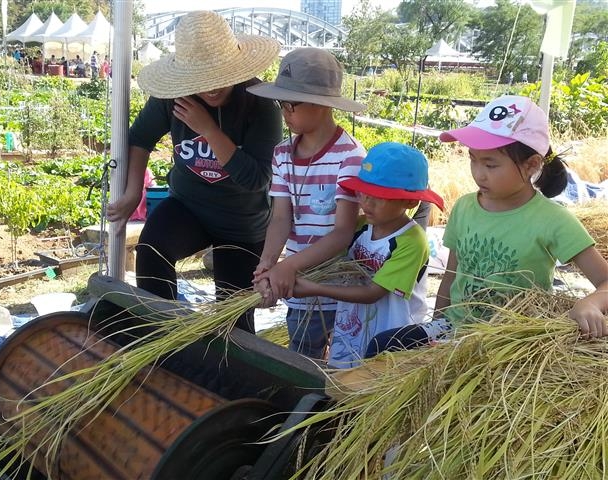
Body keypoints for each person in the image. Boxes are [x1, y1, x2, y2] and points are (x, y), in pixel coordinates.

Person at [367, 95, 608, 356]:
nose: (478, 173)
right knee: (383, 346)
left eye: (490, 164)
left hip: (511, 342)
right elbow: (451, 275)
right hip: (455, 329)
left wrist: (590, 302)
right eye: (473, 159)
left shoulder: (553, 220)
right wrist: (436, 323)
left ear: (531, 165)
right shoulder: (465, 207)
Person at [106, 11, 282, 333]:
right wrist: (134, 192)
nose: (211, 88)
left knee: (234, 321)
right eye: (201, 80)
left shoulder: (261, 106)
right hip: (189, 206)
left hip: (241, 221)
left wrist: (208, 129)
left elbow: (257, 179)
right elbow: (140, 138)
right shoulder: (173, 96)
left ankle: (227, 379)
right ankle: (162, 339)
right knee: (151, 250)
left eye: (218, 77)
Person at [247, 47, 367, 359]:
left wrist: (289, 266)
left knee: (341, 368)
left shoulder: (350, 156)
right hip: (296, 288)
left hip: (336, 290)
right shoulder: (282, 154)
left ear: (322, 105)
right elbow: (280, 219)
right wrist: (268, 264)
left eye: (292, 104)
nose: (285, 112)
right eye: (281, 104)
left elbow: (342, 233)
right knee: (302, 360)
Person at [292, 142, 445, 368]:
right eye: (363, 193)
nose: (366, 202)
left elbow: (373, 293)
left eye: (379, 197)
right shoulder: (359, 227)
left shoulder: (411, 241)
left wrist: (313, 288)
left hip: (388, 339)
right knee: (340, 384)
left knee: (372, 389)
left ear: (411, 201)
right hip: (351, 331)